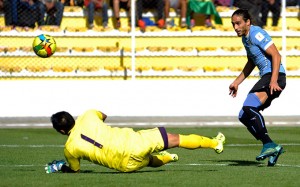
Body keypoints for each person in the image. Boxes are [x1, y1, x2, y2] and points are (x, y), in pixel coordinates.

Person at [45, 109, 225, 173]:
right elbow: (104, 115)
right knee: (177, 139)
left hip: (125, 165)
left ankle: (168, 158)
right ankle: (215, 143)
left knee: (148, 161)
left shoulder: (69, 149)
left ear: (61, 131)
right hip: (133, 141)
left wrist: (63, 168)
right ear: (71, 117)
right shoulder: (88, 115)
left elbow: (75, 170)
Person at [229, 9, 286, 167]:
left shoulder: (256, 33)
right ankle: (271, 147)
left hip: (274, 76)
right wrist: (236, 82)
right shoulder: (245, 39)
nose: (235, 27)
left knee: (248, 107)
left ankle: (269, 145)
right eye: (233, 24)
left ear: (248, 22)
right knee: (243, 115)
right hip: (268, 78)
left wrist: (273, 81)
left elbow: (276, 55)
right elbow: (251, 62)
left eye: (238, 23)